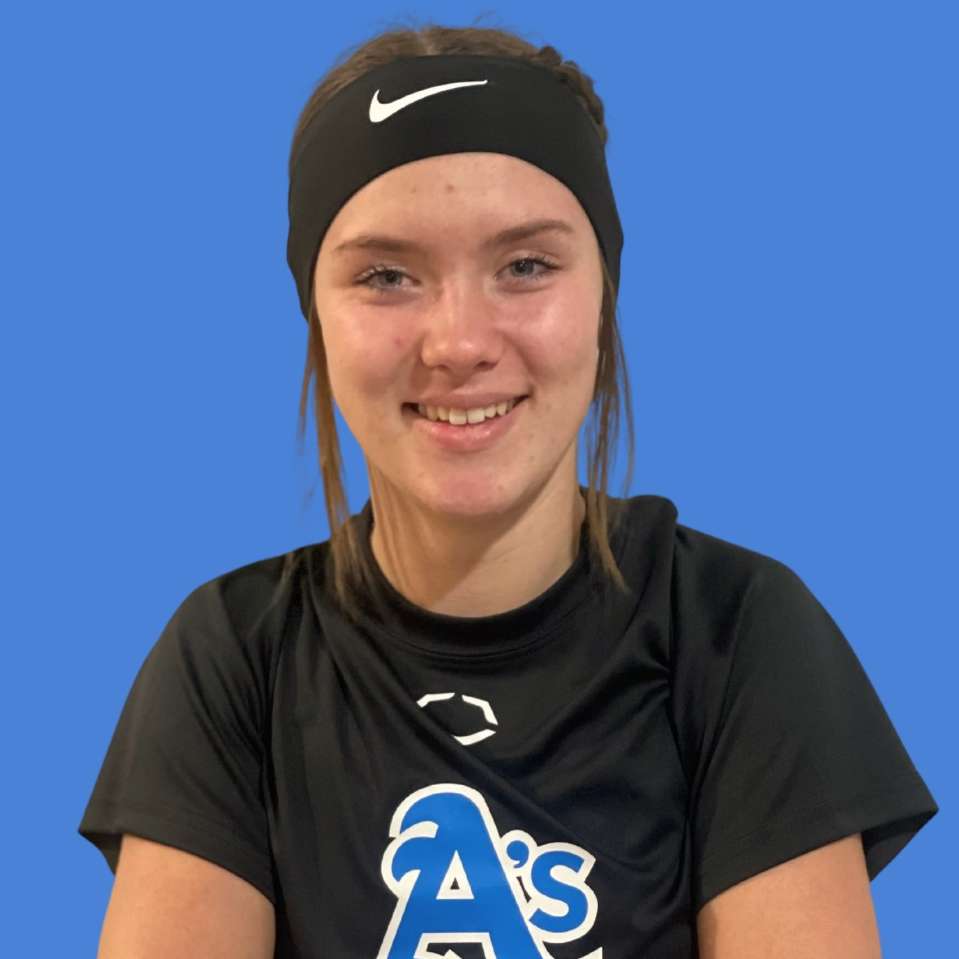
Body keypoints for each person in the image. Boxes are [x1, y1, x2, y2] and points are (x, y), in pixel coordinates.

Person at [78, 22, 939, 959]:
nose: (459, 341)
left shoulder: (738, 633)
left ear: (602, 297)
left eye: (525, 265)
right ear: (315, 315)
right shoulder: (233, 658)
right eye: (385, 275)